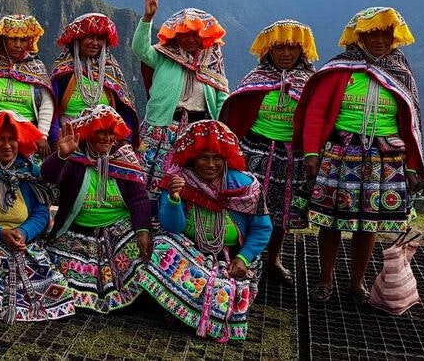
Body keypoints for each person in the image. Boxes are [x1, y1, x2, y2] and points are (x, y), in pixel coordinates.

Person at [292, 7, 424, 304]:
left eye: (385, 34)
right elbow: (316, 112)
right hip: (341, 151)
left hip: (385, 157)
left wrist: (414, 166)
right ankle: (325, 280)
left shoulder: (400, 72)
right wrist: (312, 151)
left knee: (369, 223)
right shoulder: (341, 69)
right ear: (359, 36)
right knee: (330, 220)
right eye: (372, 34)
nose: (379, 40)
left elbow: (412, 121)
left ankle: (357, 283)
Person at [139, 120, 271, 342]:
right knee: (163, 247)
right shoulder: (178, 180)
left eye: (217, 158)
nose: (211, 164)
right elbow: (173, 227)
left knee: (225, 290)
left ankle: (185, 311)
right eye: (204, 157)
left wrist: (243, 258)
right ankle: (179, 308)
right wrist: (173, 199)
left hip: (230, 255)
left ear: (225, 158)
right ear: (192, 158)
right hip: (189, 251)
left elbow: (262, 228)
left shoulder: (245, 186)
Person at [219, 19, 317, 287]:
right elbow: (236, 112)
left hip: (291, 155)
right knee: (244, 204)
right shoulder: (256, 79)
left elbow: (317, 119)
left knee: (281, 212)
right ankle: (240, 255)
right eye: (279, 48)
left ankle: (273, 259)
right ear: (268, 51)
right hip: (254, 150)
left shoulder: (310, 83)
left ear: (302, 51)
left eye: (292, 48)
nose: (286, 54)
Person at [0, 110, 76, 322]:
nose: (6, 145)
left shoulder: (28, 170)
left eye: (12, 139)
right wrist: (0, 232)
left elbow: (41, 212)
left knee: (50, 279)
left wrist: (23, 232)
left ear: (19, 142)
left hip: (22, 241)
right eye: (0, 139)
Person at [43, 105, 153, 313]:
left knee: (144, 262)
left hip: (119, 230)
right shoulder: (75, 159)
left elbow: (139, 198)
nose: (107, 138)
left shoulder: (124, 158)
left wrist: (143, 231)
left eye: (111, 133)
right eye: (100, 132)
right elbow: (48, 176)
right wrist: (61, 155)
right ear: (87, 134)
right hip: (79, 232)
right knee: (60, 278)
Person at [132, 0, 229, 215]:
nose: (190, 39)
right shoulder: (164, 56)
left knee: (188, 178)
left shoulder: (212, 63)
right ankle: (145, 218)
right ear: (176, 34)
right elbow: (140, 49)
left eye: (196, 35)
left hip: (197, 130)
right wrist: (147, 19)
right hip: (161, 125)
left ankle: (177, 219)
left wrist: (223, 130)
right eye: (185, 34)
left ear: (204, 37)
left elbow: (222, 96)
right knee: (149, 173)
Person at [49, 12, 139, 145]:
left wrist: (126, 140)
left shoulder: (111, 70)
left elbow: (124, 108)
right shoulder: (63, 71)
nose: (95, 43)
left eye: (100, 38)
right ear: (77, 39)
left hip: (106, 141)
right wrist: (56, 140)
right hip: (70, 139)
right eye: (90, 37)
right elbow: (53, 108)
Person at [0, 14, 53, 157]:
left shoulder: (36, 67)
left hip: (27, 137)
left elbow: (46, 102)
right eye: (13, 39)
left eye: (23, 40)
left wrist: (42, 135)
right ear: (2, 39)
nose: (18, 45)